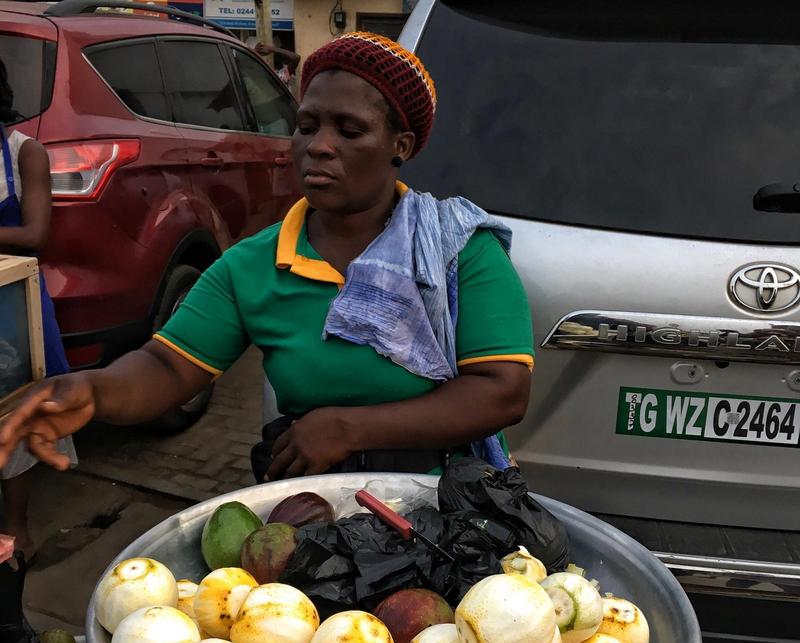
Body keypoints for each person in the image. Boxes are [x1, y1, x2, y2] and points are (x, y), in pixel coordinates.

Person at [0, 33, 533, 485]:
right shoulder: (254, 265)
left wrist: (349, 428)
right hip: (312, 503)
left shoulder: (458, 248)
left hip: (446, 499)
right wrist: (91, 390)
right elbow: (168, 366)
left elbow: (500, 391)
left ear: (401, 145)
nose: (319, 147)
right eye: (306, 126)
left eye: (349, 131)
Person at [0, 59, 76, 554]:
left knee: (16, 411)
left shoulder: (24, 153)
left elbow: (35, 234)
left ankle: (16, 531)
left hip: (10, 305)